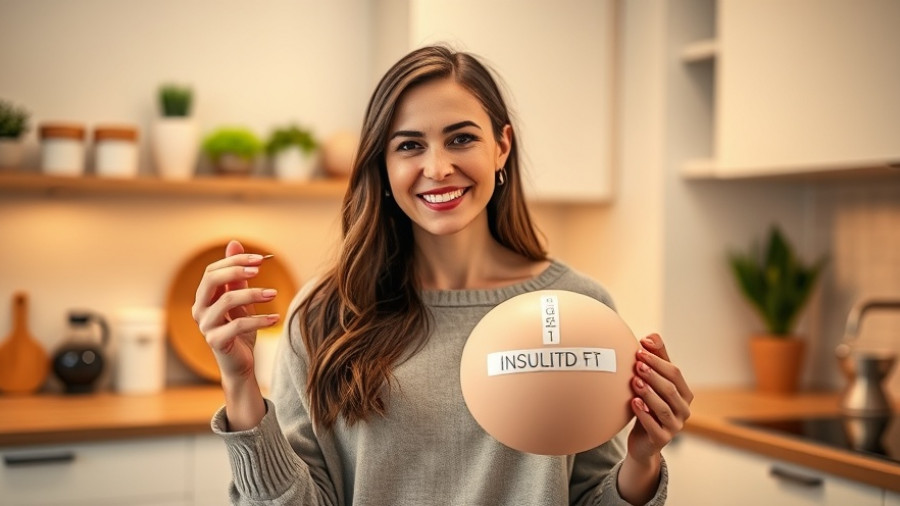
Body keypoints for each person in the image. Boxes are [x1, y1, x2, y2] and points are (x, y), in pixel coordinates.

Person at [192, 45, 692, 506]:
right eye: (409, 146)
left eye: (461, 138)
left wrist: (643, 459)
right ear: (383, 166)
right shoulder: (325, 315)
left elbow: (589, 496)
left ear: (501, 146)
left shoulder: (578, 305)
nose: (438, 167)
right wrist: (239, 385)